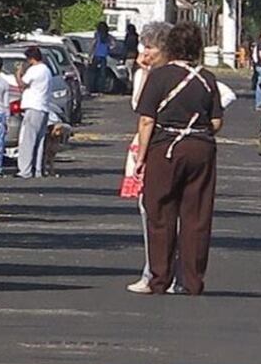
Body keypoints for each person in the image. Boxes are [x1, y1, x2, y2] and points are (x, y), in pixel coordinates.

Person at [134, 22, 224, 295]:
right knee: (196, 215)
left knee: (160, 212)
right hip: (201, 147)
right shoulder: (207, 78)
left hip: (166, 148)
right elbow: (217, 121)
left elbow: (147, 120)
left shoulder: (159, 77)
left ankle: (160, 278)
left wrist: (140, 157)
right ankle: (192, 280)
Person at [122, 22, 178, 294]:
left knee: (170, 210)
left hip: (163, 145)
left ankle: (167, 271)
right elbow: (138, 105)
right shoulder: (143, 75)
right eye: (143, 46)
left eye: (150, 47)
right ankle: (153, 268)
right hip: (145, 144)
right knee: (148, 209)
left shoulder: (179, 74)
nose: (145, 52)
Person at [15, 46, 52, 179]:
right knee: (39, 140)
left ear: (31, 59)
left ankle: (24, 170)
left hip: (33, 107)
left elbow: (22, 84)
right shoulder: (46, 70)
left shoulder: (35, 70)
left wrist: (18, 73)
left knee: (28, 140)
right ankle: (37, 169)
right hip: (43, 107)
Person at [90, 22, 115, 95]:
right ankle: (101, 89)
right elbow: (113, 44)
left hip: (96, 55)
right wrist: (109, 48)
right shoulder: (108, 36)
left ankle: (93, 89)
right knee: (102, 74)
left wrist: (90, 54)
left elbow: (93, 44)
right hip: (104, 56)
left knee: (93, 73)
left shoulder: (97, 35)